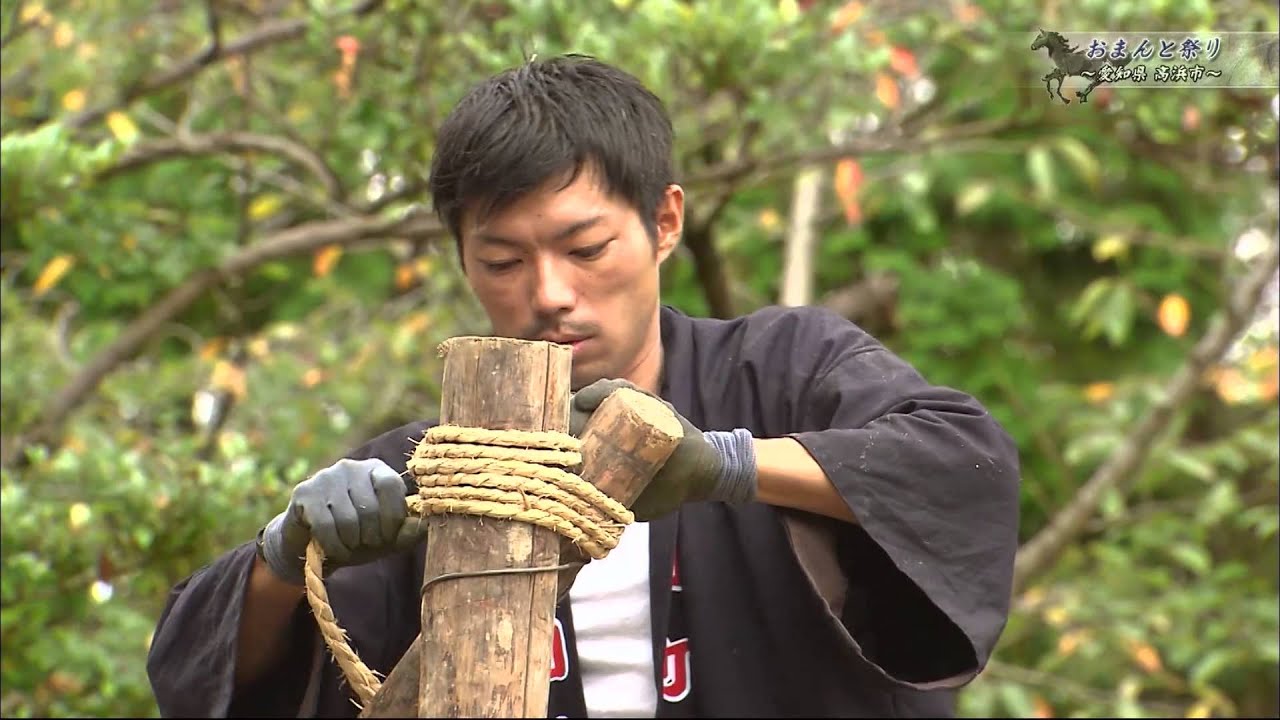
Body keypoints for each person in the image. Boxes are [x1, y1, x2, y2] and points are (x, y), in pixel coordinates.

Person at [146, 54, 1021, 718]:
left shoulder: (784, 369)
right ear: (463, 260)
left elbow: (957, 465)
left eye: (587, 248)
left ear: (665, 222)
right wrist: (281, 550)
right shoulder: (436, 469)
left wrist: (727, 466)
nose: (550, 293)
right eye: (501, 259)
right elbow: (201, 674)